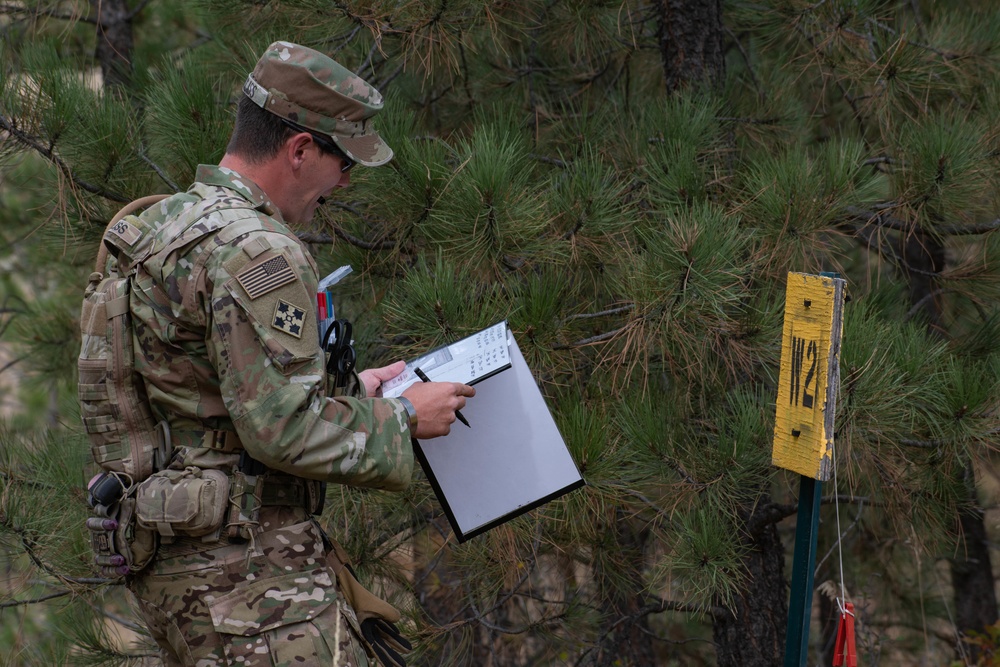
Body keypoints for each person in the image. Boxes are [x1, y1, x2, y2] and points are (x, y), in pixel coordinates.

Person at [122, 41, 475, 666]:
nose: (344, 183)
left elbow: (204, 404)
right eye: (345, 164)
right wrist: (405, 416)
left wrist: (352, 397)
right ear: (301, 149)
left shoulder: (161, 227)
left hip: (183, 568)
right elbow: (279, 430)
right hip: (247, 579)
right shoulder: (260, 249)